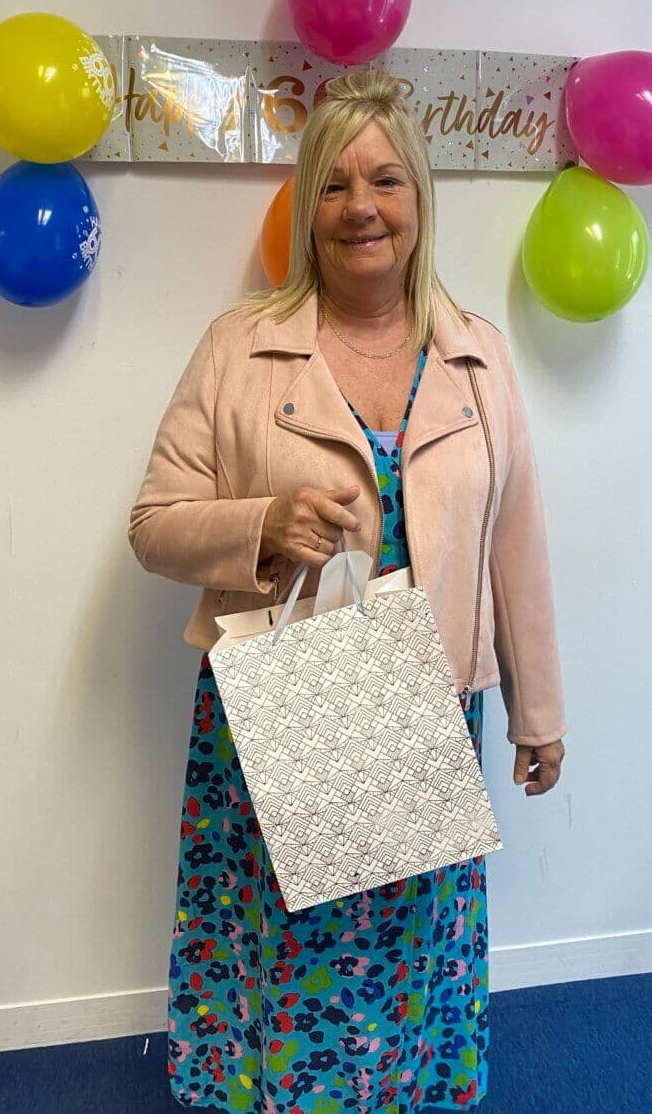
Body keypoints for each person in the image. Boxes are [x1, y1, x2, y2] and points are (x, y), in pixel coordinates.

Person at [128, 68, 567, 1112]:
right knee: (289, 951)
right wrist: (261, 526)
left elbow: (515, 541)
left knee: (412, 951)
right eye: (332, 183)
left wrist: (538, 710)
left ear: (419, 198)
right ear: (307, 207)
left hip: (431, 712)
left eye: (384, 180)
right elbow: (153, 524)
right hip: (287, 708)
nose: (360, 206)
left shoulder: (477, 357)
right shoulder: (239, 348)